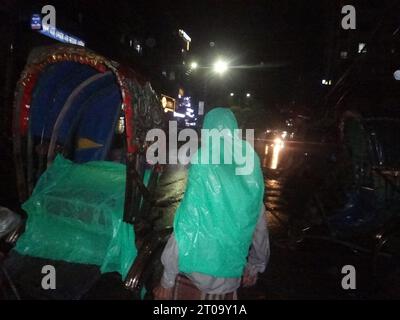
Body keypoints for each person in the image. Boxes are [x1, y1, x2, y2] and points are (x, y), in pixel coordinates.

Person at [153, 107, 270, 300]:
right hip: (229, 282)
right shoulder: (250, 170)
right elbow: (260, 229)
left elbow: (186, 227)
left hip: (192, 276)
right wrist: (254, 266)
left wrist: (167, 280)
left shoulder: (204, 165)